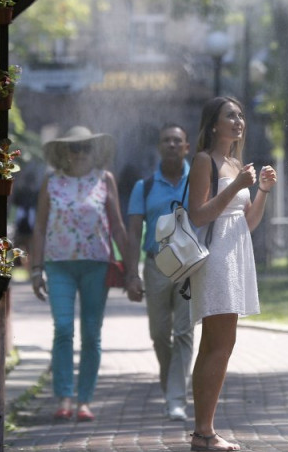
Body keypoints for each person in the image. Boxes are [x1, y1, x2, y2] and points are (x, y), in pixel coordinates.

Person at [185, 96, 276, 452]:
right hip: (217, 257)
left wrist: (262, 191)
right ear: (213, 125)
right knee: (219, 344)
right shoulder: (204, 160)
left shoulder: (236, 162)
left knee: (216, 344)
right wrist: (238, 186)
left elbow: (248, 221)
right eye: (230, 116)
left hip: (237, 254)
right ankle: (204, 432)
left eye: (240, 115)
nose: (238, 121)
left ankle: (202, 431)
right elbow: (198, 215)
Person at [28, 126, 129, 423]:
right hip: (58, 263)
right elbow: (39, 227)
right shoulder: (51, 182)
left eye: (86, 147)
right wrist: (36, 269)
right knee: (62, 328)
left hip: (96, 264)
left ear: (94, 151)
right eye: (75, 148)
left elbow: (119, 227)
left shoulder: (104, 179)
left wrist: (132, 269)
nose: (81, 153)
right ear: (64, 152)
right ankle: (64, 396)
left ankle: (84, 400)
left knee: (91, 334)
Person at [124, 122, 195, 422]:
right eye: (166, 140)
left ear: (186, 147)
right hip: (155, 265)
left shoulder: (198, 181)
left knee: (184, 332)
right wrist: (131, 274)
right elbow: (133, 231)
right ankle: (171, 385)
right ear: (159, 147)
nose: (172, 145)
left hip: (189, 265)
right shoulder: (145, 186)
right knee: (158, 334)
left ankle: (176, 397)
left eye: (177, 140)